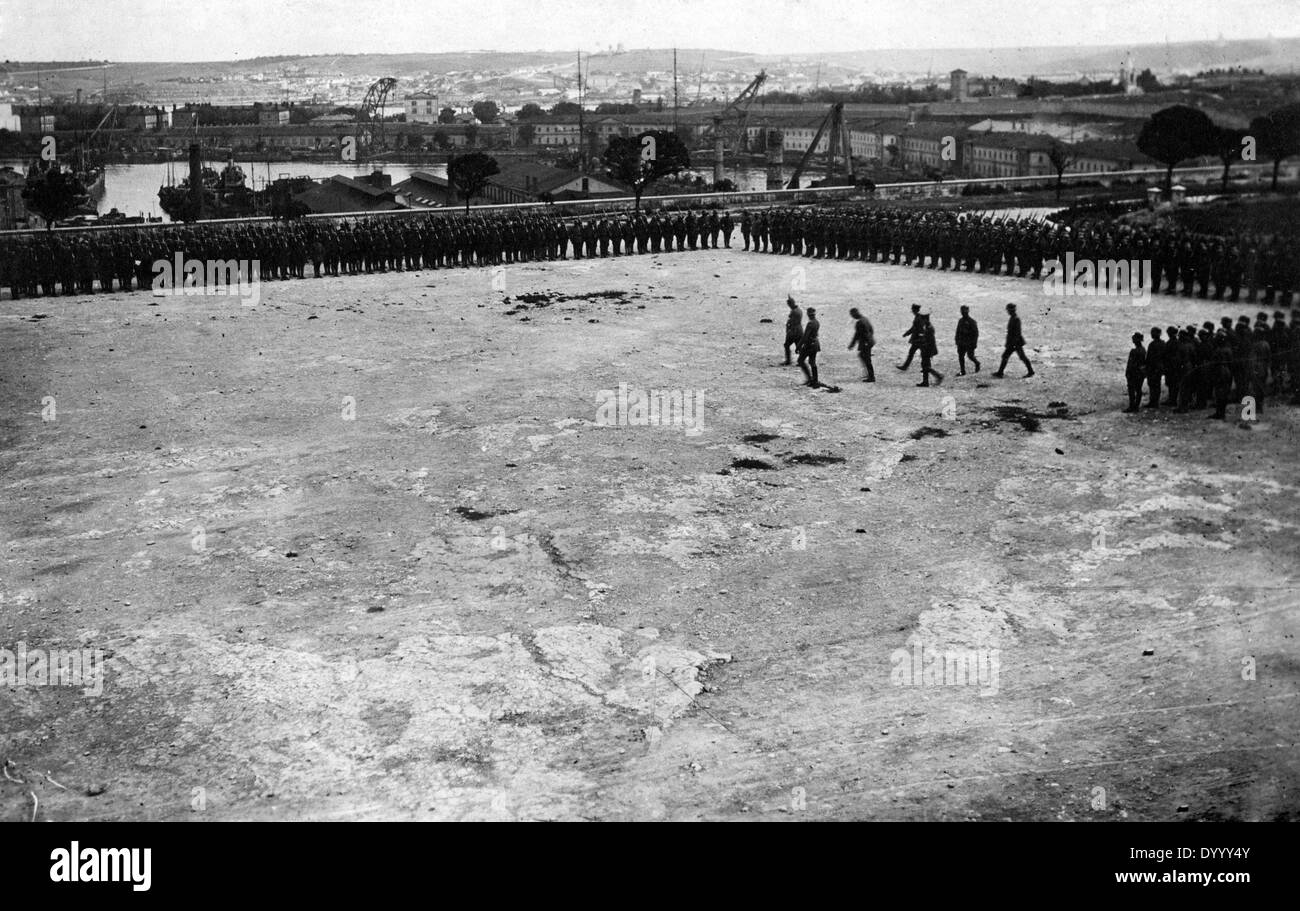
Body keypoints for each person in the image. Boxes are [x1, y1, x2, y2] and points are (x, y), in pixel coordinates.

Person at [992, 303, 1035, 378]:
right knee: (1008, 356)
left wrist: (1013, 344)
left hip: (1015, 343)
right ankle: (1000, 372)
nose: (1007, 311)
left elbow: (1017, 333)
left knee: (1019, 357)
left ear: (1011, 310)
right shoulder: (1013, 317)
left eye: (1008, 310)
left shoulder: (1016, 319)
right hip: (1013, 342)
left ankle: (1030, 371)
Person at [848, 307, 875, 382]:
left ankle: (871, 376)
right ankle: (868, 374)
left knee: (866, 359)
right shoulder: (865, 319)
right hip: (870, 341)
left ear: (855, 314)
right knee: (863, 357)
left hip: (866, 343)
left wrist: (852, 345)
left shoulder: (859, 323)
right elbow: (871, 330)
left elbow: (857, 335)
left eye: (852, 315)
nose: (852, 317)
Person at [916, 313, 944, 386]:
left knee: (925, 366)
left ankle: (938, 375)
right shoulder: (928, 327)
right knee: (925, 365)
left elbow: (930, 340)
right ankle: (925, 382)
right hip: (927, 349)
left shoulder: (929, 328)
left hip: (927, 349)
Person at [896, 303, 924, 371]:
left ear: (915, 310)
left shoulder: (919, 318)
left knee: (914, 353)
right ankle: (925, 367)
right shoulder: (919, 317)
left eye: (913, 310)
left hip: (918, 340)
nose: (912, 311)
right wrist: (907, 333)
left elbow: (917, 329)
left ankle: (906, 366)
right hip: (919, 339)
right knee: (916, 353)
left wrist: (908, 333)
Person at [797, 307, 821, 387]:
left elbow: (805, 337)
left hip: (809, 345)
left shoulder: (810, 323)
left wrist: (798, 346)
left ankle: (809, 379)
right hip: (815, 344)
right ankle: (815, 380)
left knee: (800, 360)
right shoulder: (817, 322)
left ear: (808, 314)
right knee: (812, 362)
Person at [955, 305, 980, 375]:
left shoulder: (972, 322)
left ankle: (977, 363)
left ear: (968, 312)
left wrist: (974, 343)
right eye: (962, 312)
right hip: (961, 342)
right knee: (961, 356)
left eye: (965, 311)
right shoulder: (960, 321)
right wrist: (956, 340)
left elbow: (976, 334)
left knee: (970, 356)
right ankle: (962, 371)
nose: (963, 313)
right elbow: (957, 331)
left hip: (969, 343)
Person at [1124, 332, 1146, 412]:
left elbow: (1130, 364)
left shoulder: (1134, 351)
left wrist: (1127, 373)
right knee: (1138, 389)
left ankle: (1132, 406)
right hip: (1140, 373)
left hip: (1133, 373)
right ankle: (1136, 406)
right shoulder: (1143, 350)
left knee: (1131, 390)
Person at [1144, 326, 1165, 409]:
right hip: (1159, 368)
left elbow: (1148, 358)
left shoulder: (1152, 344)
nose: (1152, 334)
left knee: (1152, 385)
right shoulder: (1163, 344)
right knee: (1157, 385)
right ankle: (1155, 401)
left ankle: (1153, 402)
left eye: (1153, 333)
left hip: (1153, 368)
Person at [783, 296, 803, 365]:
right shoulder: (799, 310)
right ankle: (801, 361)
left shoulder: (794, 312)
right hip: (800, 330)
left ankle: (788, 361)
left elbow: (791, 322)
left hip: (794, 331)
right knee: (798, 346)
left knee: (787, 345)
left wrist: (788, 330)